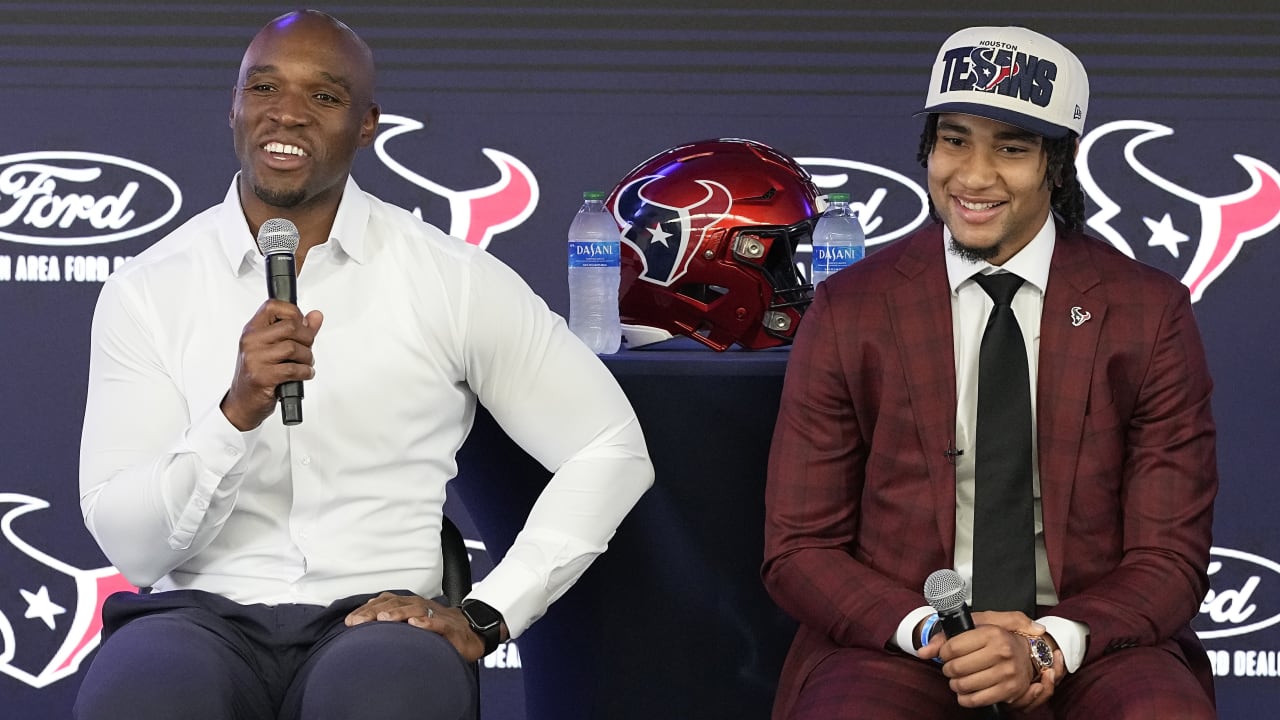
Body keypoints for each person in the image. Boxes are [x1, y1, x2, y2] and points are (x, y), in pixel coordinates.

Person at [75, 10, 653, 720]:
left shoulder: (449, 275)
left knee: (389, 693)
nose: (286, 114)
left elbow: (611, 447)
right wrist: (234, 416)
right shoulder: (148, 288)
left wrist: (490, 612)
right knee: (143, 692)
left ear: (367, 123)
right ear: (233, 106)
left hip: (379, 617)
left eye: (324, 96)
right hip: (197, 613)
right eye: (263, 89)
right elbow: (133, 548)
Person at [762, 25, 1217, 719]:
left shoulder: (1148, 314)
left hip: (1090, 640)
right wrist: (938, 635)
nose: (974, 176)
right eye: (954, 140)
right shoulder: (852, 307)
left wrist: (1047, 645)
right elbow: (799, 548)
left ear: (1057, 165)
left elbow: (1169, 559)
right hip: (904, 638)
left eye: (1011, 147)